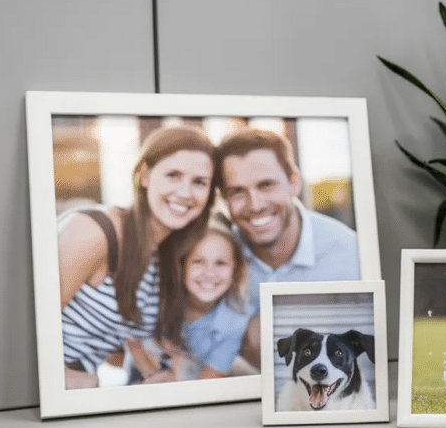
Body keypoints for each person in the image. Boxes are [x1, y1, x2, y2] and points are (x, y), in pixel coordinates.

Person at [59, 126, 216, 389]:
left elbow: (112, 351)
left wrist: (151, 370)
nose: (186, 192)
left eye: (199, 182)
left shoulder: (163, 258)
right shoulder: (97, 231)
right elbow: (27, 322)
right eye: (173, 175)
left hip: (84, 394)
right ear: (144, 176)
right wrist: (61, 376)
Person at [214, 129, 361, 368]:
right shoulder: (212, 259)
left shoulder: (350, 255)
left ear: (293, 182)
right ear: (223, 198)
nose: (255, 205)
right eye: (237, 191)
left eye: (266, 185)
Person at [160, 218, 251, 380]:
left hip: (194, 388)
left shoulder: (236, 317)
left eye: (220, 263)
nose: (209, 273)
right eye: (198, 261)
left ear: (235, 270)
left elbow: (209, 381)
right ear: (182, 266)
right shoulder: (159, 302)